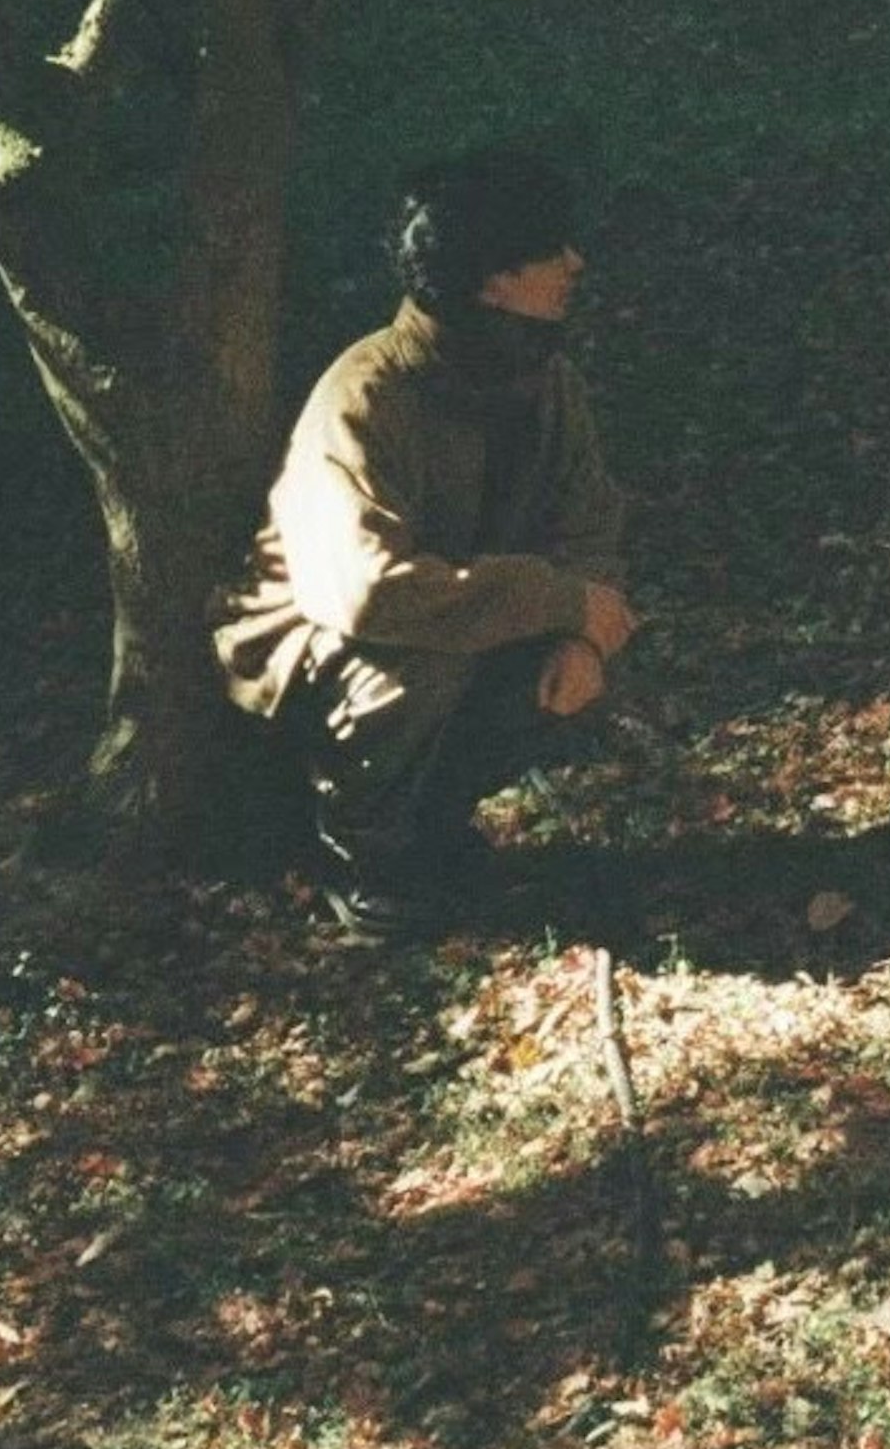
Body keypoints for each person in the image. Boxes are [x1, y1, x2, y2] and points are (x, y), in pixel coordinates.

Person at [214, 149, 637, 933]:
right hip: (321, 660)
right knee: (427, 652)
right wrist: (554, 596)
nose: (575, 264)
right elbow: (368, 593)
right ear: (493, 281)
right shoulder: (365, 397)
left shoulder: (547, 384)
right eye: (551, 250)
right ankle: (356, 851)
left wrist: (583, 631)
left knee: (559, 653)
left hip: (437, 633)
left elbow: (591, 524)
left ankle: (430, 827)